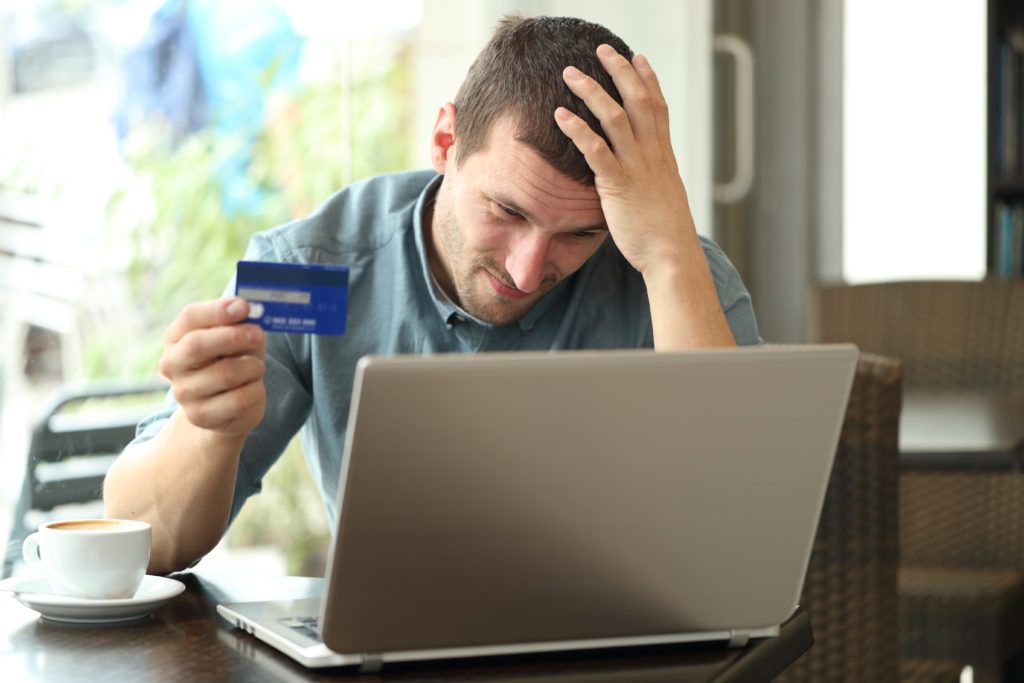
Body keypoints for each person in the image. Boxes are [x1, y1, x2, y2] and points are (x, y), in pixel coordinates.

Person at [103, 15, 761, 574]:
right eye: (506, 210)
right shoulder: (314, 271)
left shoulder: (668, 272)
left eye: (580, 233)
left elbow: (740, 533)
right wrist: (206, 429)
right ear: (445, 141)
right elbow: (141, 540)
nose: (529, 270)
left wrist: (670, 254)